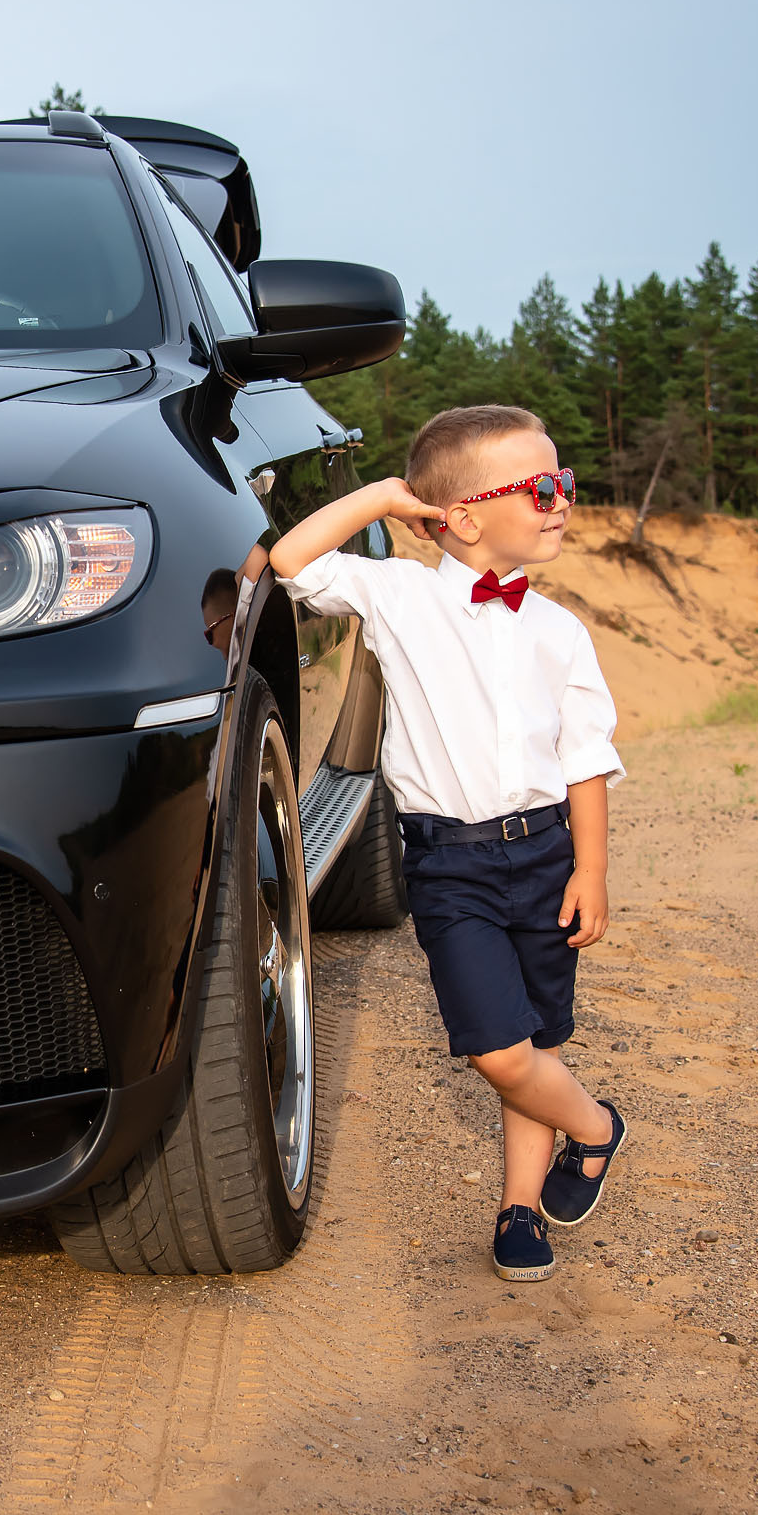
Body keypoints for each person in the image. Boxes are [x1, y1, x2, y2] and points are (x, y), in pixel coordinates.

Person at [267, 403, 630, 1281]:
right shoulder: (399, 597)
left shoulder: (560, 631)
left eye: (565, 483)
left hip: (544, 854)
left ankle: (518, 1206)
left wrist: (591, 870)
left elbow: (584, 759)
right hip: (450, 862)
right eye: (540, 487)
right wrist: (385, 498)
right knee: (497, 1048)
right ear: (463, 516)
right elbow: (288, 561)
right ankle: (598, 1128)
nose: (560, 500)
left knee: (535, 1042)